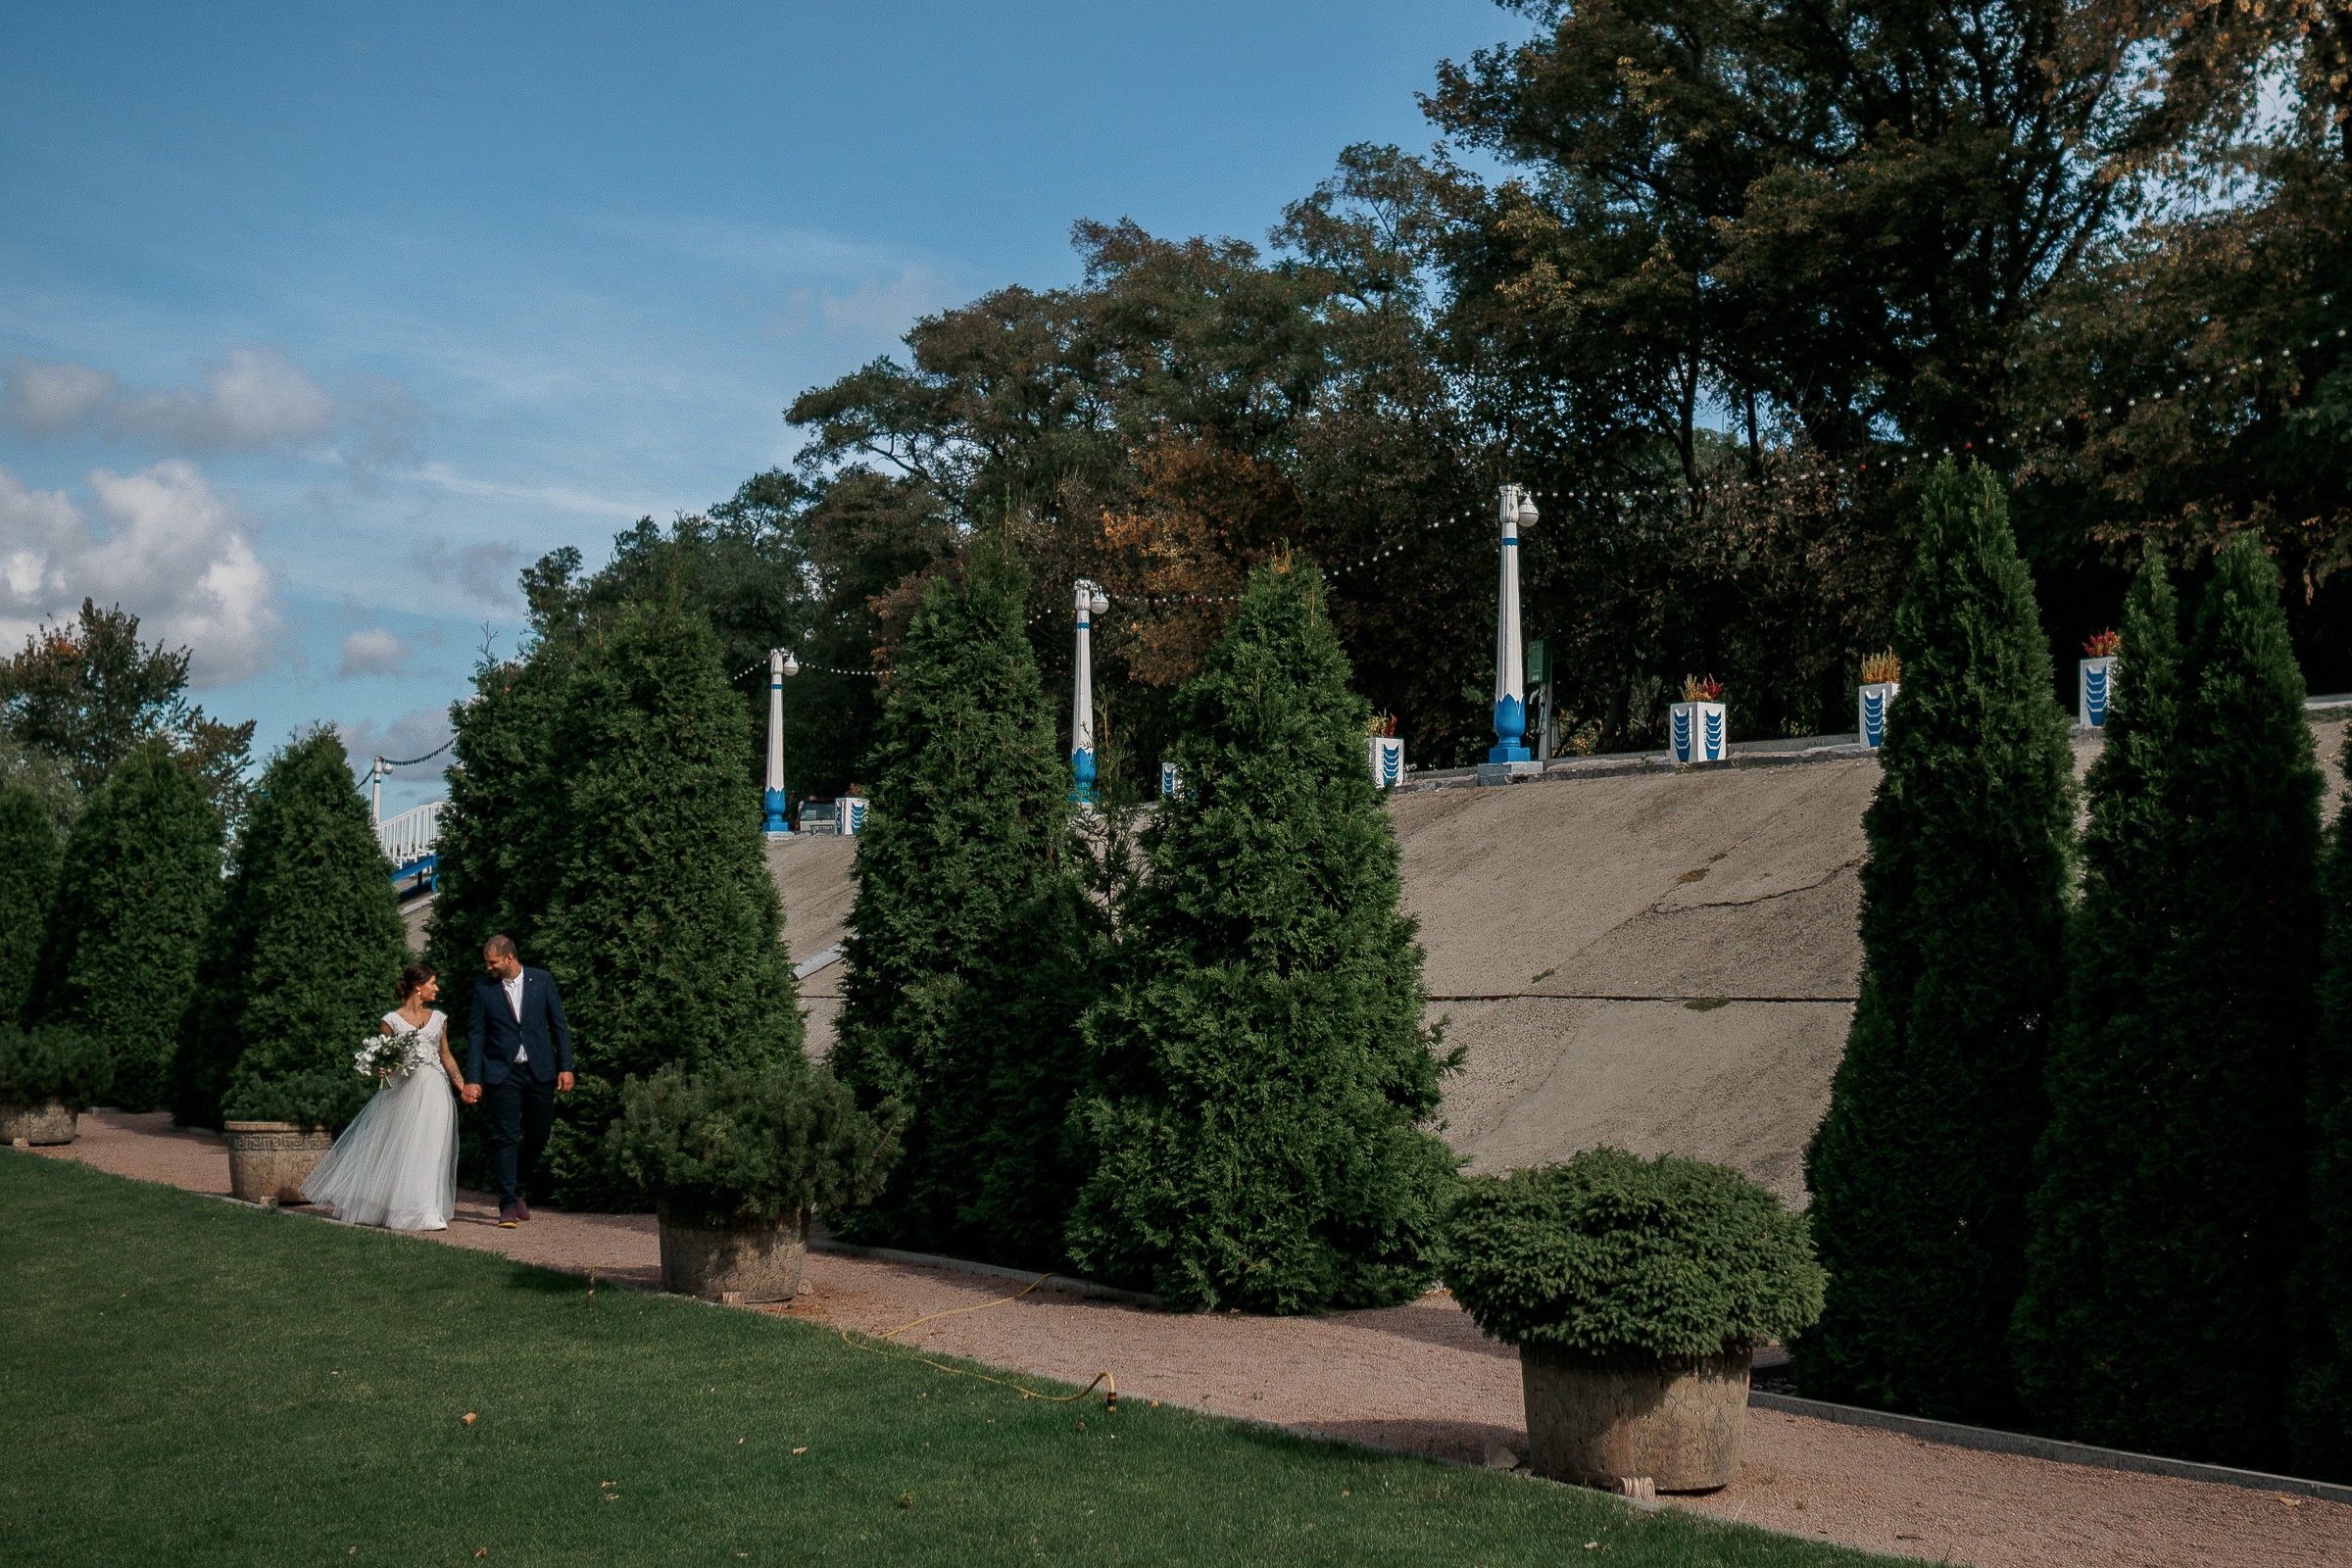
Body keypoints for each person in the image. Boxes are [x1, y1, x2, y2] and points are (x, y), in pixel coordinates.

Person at [302, 963, 463, 1230]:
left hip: (435, 1090)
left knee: (432, 1148)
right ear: (418, 988)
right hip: (404, 1092)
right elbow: (386, 1059)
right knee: (404, 1148)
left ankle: (427, 1210)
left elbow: (445, 1054)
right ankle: (401, 1209)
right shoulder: (391, 1021)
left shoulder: (439, 1018)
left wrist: (462, 1085)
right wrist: (383, 1070)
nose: (437, 988)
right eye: (433, 983)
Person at [464, 934, 574, 1228]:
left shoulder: (542, 980)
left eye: (493, 962)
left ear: (509, 958)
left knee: (539, 1135)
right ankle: (508, 1204)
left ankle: (518, 1187)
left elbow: (559, 1026)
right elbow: (476, 1035)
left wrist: (566, 1066)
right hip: (503, 1072)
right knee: (506, 1138)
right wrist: (473, 1078)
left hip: (540, 1070)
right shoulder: (484, 989)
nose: (488, 967)